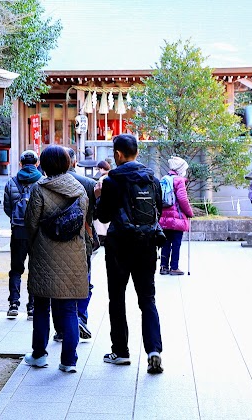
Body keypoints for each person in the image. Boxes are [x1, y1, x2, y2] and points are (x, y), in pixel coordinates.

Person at [94, 134, 164, 375]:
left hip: (119, 246)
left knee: (117, 298)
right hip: (147, 245)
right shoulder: (151, 178)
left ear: (117, 155)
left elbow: (102, 216)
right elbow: (159, 211)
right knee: (147, 299)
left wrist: (98, 197)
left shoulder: (112, 180)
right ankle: (154, 350)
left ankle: (121, 351)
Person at [22, 146, 89, 373]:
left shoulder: (40, 189)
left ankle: (39, 355)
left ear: (45, 165)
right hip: (73, 254)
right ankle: (69, 360)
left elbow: (30, 223)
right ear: (67, 163)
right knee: (69, 309)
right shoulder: (80, 189)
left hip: (44, 253)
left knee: (41, 306)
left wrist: (35, 244)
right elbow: (81, 222)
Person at [49, 148, 96, 341]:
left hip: (53, 241)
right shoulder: (89, 184)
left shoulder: (45, 184)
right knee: (83, 280)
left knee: (57, 285)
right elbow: (96, 213)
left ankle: (61, 329)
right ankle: (80, 317)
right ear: (74, 162)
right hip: (82, 238)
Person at [3, 150, 42, 319]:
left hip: (18, 231)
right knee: (35, 269)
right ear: (37, 163)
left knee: (16, 269)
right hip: (36, 233)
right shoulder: (41, 182)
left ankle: (13, 303)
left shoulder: (11, 183)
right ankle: (32, 306)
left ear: (20, 163)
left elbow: (7, 208)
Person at [158, 156, 194, 275]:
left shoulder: (164, 178)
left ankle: (163, 267)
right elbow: (183, 199)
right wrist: (189, 213)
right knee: (176, 243)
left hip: (164, 217)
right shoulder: (179, 180)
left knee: (166, 242)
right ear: (180, 169)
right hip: (177, 218)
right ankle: (174, 267)